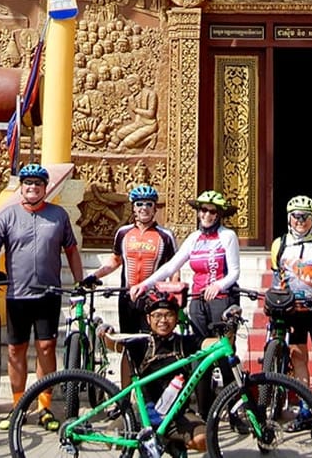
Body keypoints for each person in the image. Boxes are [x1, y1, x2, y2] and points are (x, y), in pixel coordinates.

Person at [0, 163, 85, 432]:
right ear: (21, 187)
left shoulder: (58, 215)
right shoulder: (8, 215)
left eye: (38, 184)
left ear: (45, 188)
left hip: (48, 294)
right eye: (28, 184)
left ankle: (44, 406)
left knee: (46, 348)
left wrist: (79, 282)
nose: (33, 188)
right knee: (16, 350)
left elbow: (72, 250)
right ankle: (18, 406)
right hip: (17, 294)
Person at [81, 184, 178, 386]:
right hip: (127, 298)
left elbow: (173, 267)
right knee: (128, 345)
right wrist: (95, 275)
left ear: (155, 209)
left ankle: (152, 395)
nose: (144, 208)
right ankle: (126, 396)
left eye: (149, 204)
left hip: (154, 300)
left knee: (153, 346)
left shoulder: (165, 235)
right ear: (133, 208)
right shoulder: (123, 233)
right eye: (139, 204)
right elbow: (115, 260)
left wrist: (174, 293)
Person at [96, 290, 206, 455]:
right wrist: (104, 331)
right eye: (157, 315)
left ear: (176, 318)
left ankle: (168, 442)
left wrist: (228, 333)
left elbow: (210, 344)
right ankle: (162, 442)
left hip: (177, 415)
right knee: (112, 438)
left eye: (169, 315)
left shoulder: (184, 343)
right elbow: (113, 344)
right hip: (143, 412)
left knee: (203, 439)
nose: (163, 320)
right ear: (148, 319)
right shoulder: (141, 343)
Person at [267, 194, 312, 431]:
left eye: (305, 216)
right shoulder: (280, 243)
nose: (301, 221)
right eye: (296, 216)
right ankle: (306, 410)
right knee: (298, 357)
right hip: (292, 307)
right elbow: (277, 276)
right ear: (289, 218)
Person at [129, 190, 241, 340]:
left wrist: (218, 286)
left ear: (218, 214)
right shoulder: (194, 238)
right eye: (204, 210)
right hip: (197, 298)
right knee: (198, 346)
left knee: (222, 346)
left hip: (221, 297)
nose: (207, 215)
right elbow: (171, 266)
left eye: (212, 211)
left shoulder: (227, 236)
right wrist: (144, 285)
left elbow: (234, 272)